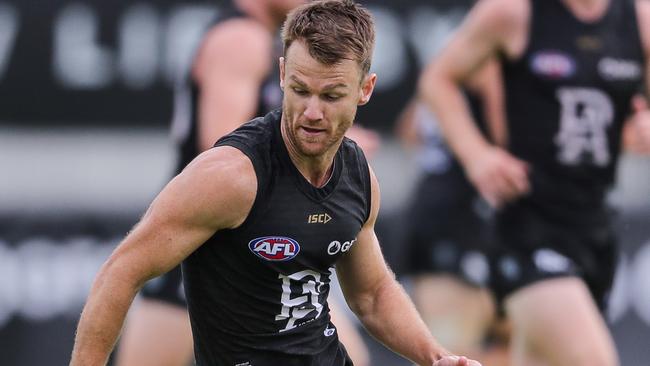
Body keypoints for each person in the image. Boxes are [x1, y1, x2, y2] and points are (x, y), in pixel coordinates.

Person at [69, 1, 482, 366]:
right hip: (215, 260)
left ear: (365, 89)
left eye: (332, 95)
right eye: (300, 91)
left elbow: (372, 294)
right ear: (282, 73)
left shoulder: (357, 176)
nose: (313, 112)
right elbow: (119, 272)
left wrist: (437, 356)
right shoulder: (232, 175)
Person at [115, 1, 371, 365]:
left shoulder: (261, 39)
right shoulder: (242, 39)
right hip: (212, 240)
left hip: (249, 236)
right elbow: (221, 151)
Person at [419, 0, 650, 364]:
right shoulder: (511, 12)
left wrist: (643, 123)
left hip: (595, 226)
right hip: (528, 226)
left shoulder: (639, 17)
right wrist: (476, 154)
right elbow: (437, 78)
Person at [397, 60, 509, 366]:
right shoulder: (488, 66)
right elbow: (508, 135)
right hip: (456, 219)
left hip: (441, 212)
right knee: (456, 352)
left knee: (525, 339)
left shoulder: (443, 69)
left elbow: (408, 129)